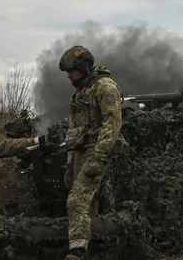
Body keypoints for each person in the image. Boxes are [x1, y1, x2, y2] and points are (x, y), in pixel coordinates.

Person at [58, 45, 124, 260]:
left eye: (72, 71)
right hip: (79, 151)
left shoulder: (104, 87)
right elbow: (74, 128)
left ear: (84, 67)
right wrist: (70, 161)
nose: (69, 76)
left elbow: (112, 123)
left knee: (77, 201)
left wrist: (100, 156)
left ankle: (77, 253)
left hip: (95, 151)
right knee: (90, 203)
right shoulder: (80, 93)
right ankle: (98, 249)